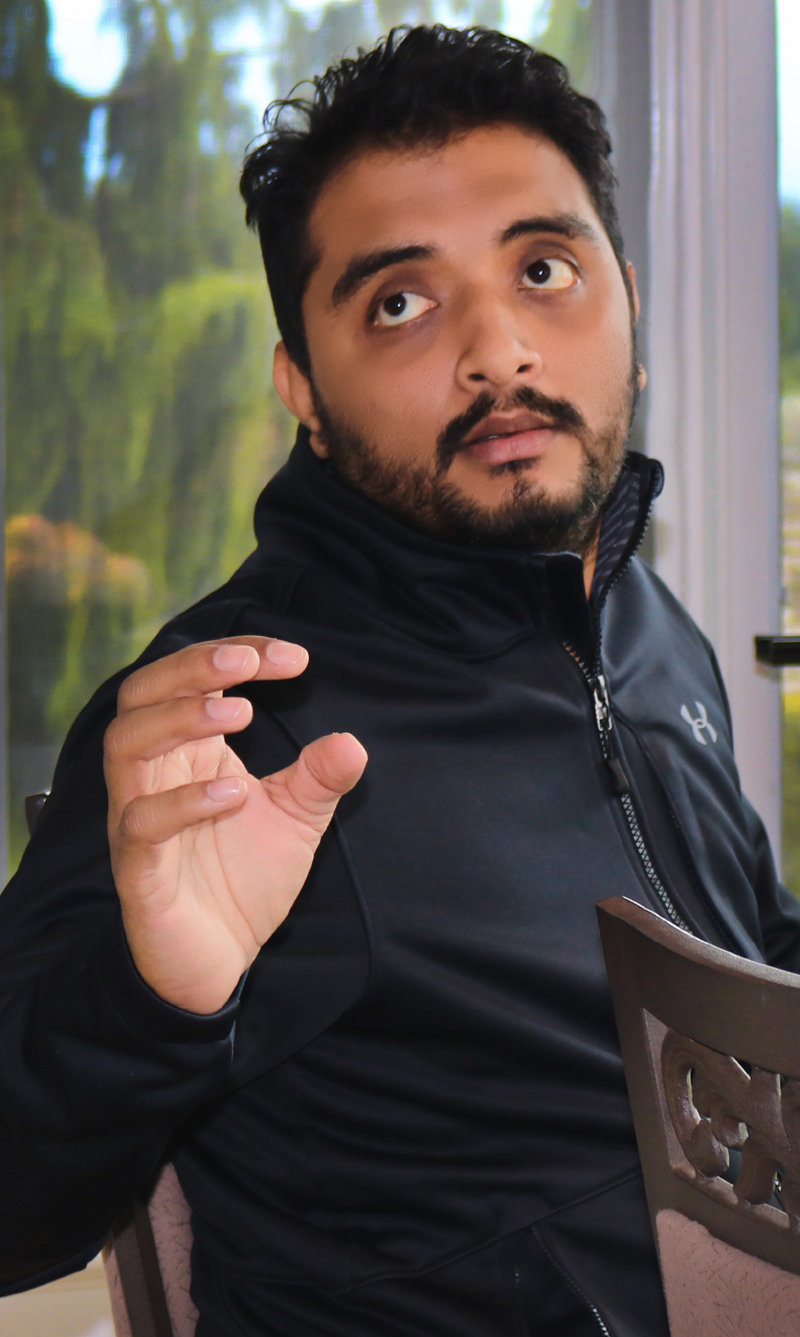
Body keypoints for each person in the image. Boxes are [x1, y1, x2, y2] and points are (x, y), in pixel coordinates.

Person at [0, 24, 796, 1337]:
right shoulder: (235, 720)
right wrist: (150, 996)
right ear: (304, 393)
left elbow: (748, 942)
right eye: (399, 303)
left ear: (630, 308)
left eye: (543, 269)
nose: (500, 351)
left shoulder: (640, 618)